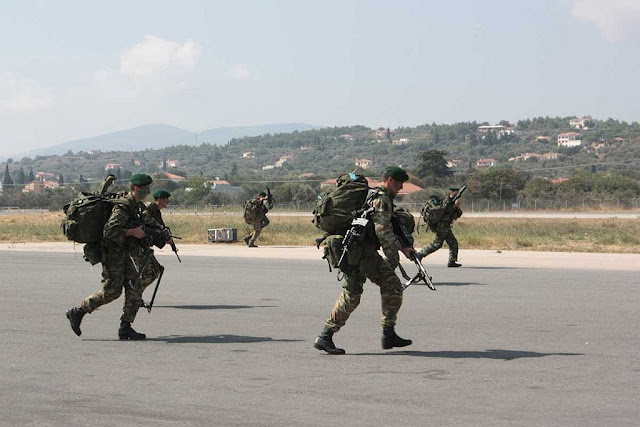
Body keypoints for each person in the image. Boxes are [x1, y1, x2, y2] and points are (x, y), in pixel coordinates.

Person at [314, 166, 416, 355]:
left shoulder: (370, 195)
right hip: (359, 253)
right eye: (399, 183)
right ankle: (327, 336)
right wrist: (394, 259)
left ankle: (386, 333)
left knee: (356, 292)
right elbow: (383, 232)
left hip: (353, 250)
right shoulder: (382, 199)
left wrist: (402, 248)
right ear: (390, 180)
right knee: (385, 286)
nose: (401, 188)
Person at [65, 173, 154, 340]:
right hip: (113, 254)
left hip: (124, 252)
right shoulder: (122, 207)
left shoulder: (135, 205)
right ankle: (78, 311)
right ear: (135, 188)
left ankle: (126, 327)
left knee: (135, 287)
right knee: (112, 291)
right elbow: (109, 231)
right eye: (145, 189)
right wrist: (133, 232)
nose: (148, 192)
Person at [417, 187, 463, 267]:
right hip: (442, 225)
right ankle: (420, 254)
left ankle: (452, 261)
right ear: (451, 192)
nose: (456, 194)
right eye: (455, 192)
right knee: (437, 244)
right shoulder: (446, 201)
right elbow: (445, 210)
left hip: (446, 225)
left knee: (453, 243)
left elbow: (457, 214)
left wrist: (457, 207)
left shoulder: (451, 202)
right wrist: (454, 205)